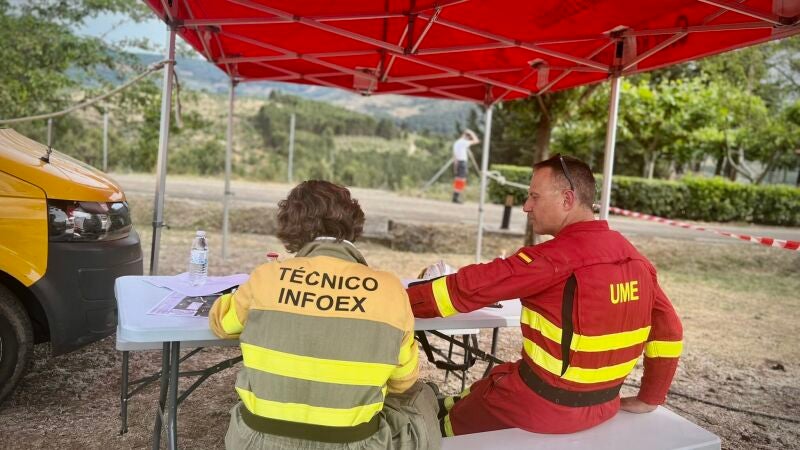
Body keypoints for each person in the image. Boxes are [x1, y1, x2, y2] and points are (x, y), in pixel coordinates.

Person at [406, 154, 683, 436]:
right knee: (483, 388)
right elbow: (670, 330)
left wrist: (398, 300)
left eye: (534, 197)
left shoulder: (553, 258)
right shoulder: (636, 259)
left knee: (438, 428)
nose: (526, 206)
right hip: (603, 406)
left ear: (567, 199)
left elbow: (465, 289)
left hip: (538, 409)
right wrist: (650, 397)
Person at [209, 180, 441, 450]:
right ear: (353, 223)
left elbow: (221, 324)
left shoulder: (266, 277)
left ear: (290, 227)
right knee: (424, 395)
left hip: (255, 442)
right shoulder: (390, 290)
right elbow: (403, 382)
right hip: (354, 444)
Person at [451, 129, 479, 204]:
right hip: (462, 162)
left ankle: (455, 196)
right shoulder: (463, 142)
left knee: (458, 179)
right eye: (469, 137)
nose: (469, 139)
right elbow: (476, 141)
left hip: (458, 162)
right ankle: (456, 197)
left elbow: (454, 156)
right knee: (462, 180)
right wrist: (471, 132)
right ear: (466, 136)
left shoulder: (456, 142)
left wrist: (455, 166)